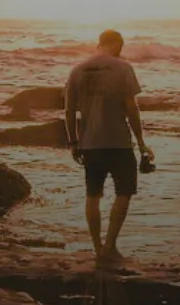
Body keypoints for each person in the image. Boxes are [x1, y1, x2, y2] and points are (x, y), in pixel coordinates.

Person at [64, 28, 153, 268]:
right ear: (117, 44)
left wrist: (73, 142)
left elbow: (69, 111)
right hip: (118, 143)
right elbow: (131, 108)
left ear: (99, 43)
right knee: (124, 192)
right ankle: (110, 246)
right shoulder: (122, 68)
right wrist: (142, 143)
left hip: (89, 144)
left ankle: (96, 247)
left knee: (93, 195)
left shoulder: (77, 70)